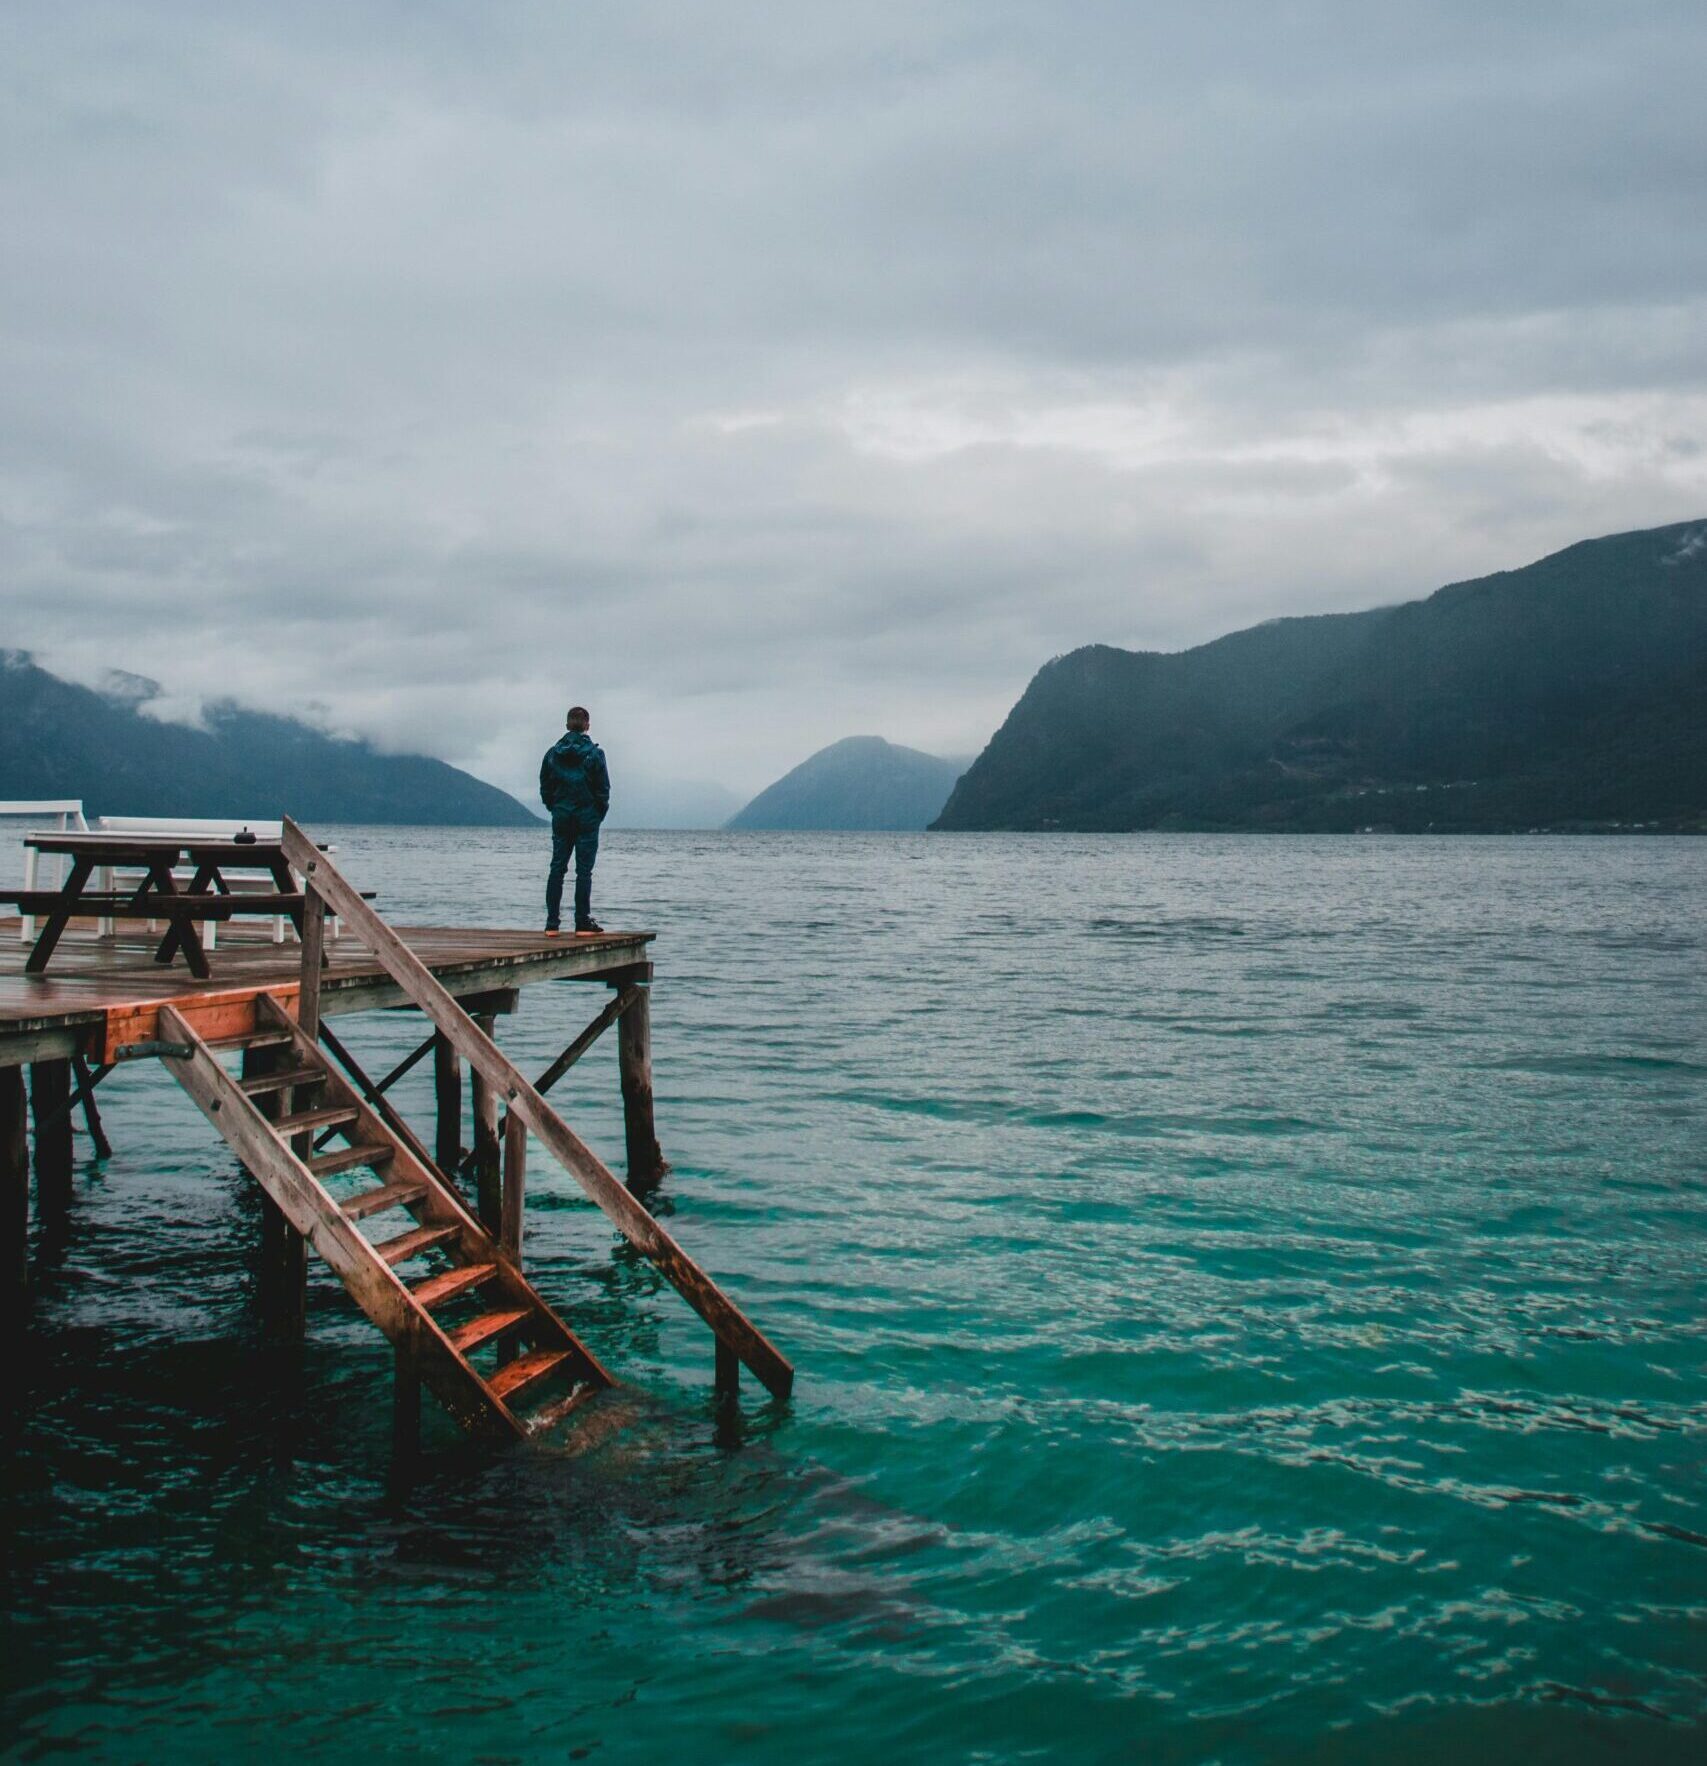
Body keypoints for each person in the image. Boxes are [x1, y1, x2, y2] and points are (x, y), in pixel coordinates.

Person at [539, 705, 610, 936]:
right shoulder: (595, 754)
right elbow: (603, 790)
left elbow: (545, 786)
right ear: (587, 726)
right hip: (587, 816)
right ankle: (581, 922)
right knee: (584, 871)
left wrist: (555, 807)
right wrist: (597, 813)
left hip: (561, 815)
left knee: (557, 867)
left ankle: (552, 924)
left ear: (567, 725)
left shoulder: (552, 754)